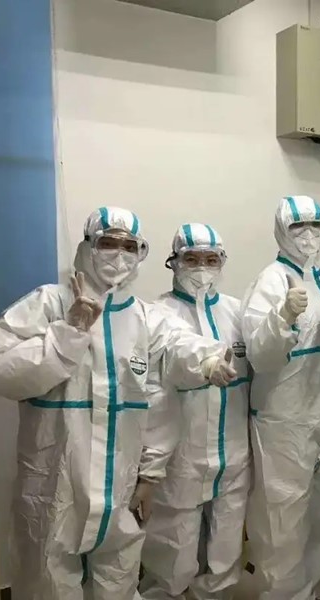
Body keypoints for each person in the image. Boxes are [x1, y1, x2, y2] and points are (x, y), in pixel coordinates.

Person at [0, 207, 237, 600]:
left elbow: (175, 356)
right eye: (108, 242)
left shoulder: (144, 318)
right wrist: (67, 334)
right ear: (88, 246)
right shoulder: (50, 302)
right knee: (48, 582)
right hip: (55, 485)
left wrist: (207, 361)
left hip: (119, 488)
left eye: (130, 247)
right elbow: (3, 370)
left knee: (119, 583)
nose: (119, 255)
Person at [242, 196, 320, 600]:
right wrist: (282, 317)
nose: (308, 235)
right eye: (298, 226)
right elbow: (260, 354)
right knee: (282, 519)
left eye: (316, 226)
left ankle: (307, 591)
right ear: (281, 231)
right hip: (284, 420)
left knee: (316, 516)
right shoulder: (270, 281)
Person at [139, 224, 251, 599]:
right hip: (182, 453)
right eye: (192, 259)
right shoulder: (155, 314)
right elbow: (169, 362)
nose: (202, 267)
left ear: (222, 262)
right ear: (173, 262)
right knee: (173, 545)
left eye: (211, 259)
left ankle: (215, 594)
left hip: (233, 450)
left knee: (227, 542)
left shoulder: (238, 311)